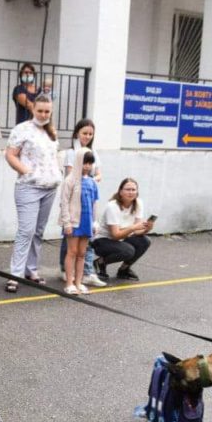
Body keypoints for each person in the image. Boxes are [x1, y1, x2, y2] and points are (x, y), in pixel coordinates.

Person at [4, 93, 60, 293]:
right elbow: (10, 155)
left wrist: (57, 174)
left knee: (38, 231)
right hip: (29, 186)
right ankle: (15, 274)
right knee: (26, 230)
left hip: (49, 188)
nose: (44, 115)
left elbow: (53, 158)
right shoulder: (22, 129)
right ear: (32, 109)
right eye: (40, 111)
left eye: (47, 111)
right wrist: (26, 172)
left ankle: (31, 270)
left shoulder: (51, 132)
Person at [59, 117, 105, 288]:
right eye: (84, 133)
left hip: (86, 214)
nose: (87, 136)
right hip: (72, 208)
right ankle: (68, 275)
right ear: (77, 133)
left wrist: (95, 221)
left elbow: (95, 200)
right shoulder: (73, 154)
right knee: (71, 248)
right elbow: (71, 177)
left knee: (82, 250)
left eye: (90, 134)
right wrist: (66, 221)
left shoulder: (92, 162)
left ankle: (82, 277)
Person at [92, 177, 152, 281]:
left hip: (122, 238)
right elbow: (115, 235)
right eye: (128, 189)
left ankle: (124, 270)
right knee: (128, 251)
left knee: (145, 241)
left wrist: (147, 229)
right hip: (103, 240)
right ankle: (100, 262)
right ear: (120, 191)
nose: (131, 192)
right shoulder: (112, 206)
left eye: (134, 190)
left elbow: (137, 231)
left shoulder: (138, 203)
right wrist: (133, 227)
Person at [59, 148, 98, 294]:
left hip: (87, 222)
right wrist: (67, 223)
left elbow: (94, 203)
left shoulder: (93, 182)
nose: (87, 166)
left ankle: (79, 282)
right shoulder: (70, 180)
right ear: (77, 162)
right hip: (74, 222)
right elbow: (64, 203)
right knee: (72, 252)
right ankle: (69, 283)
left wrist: (95, 222)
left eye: (90, 163)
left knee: (82, 253)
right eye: (84, 162)